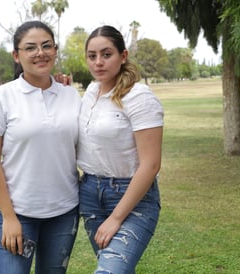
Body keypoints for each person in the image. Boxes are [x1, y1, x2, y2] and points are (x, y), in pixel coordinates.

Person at [0, 21, 81, 274]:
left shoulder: (71, 95)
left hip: (64, 211)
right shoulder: (0, 97)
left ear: (55, 51)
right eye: (30, 48)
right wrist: (9, 217)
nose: (40, 53)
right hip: (18, 213)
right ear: (17, 55)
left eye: (47, 46)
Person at [78, 25, 164, 273]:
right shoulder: (90, 93)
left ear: (123, 56)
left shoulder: (140, 97)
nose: (98, 62)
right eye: (92, 56)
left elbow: (151, 164)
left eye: (107, 54)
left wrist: (116, 218)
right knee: (114, 267)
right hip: (91, 194)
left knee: (111, 270)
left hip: (132, 196)